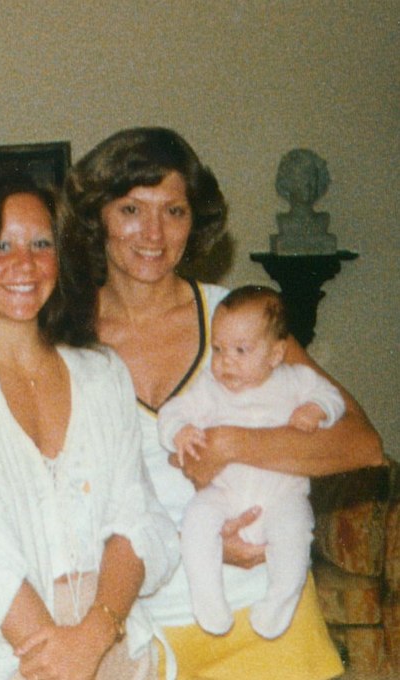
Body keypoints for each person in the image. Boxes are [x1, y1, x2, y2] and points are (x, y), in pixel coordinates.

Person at [62, 127, 383, 679]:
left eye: (174, 211)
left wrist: (234, 444)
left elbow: (362, 444)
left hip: (263, 623)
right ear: (98, 217)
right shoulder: (66, 340)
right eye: (132, 209)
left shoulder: (235, 321)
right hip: (141, 639)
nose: (154, 233)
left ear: (195, 221)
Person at [0, 167, 179, 679]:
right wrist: (62, 663)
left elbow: (136, 519)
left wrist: (93, 637)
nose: (25, 264)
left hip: (113, 643)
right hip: (12, 658)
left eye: (40, 243)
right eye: (0, 246)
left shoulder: (102, 373)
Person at [157, 286, 345, 640]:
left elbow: (333, 398)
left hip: (282, 495)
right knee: (196, 522)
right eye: (218, 350)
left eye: (241, 350)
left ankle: (279, 604)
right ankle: (208, 600)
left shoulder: (295, 380)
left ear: (275, 354)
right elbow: (172, 412)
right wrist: (178, 431)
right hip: (225, 493)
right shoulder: (210, 388)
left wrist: (317, 408)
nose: (226, 362)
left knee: (294, 538)